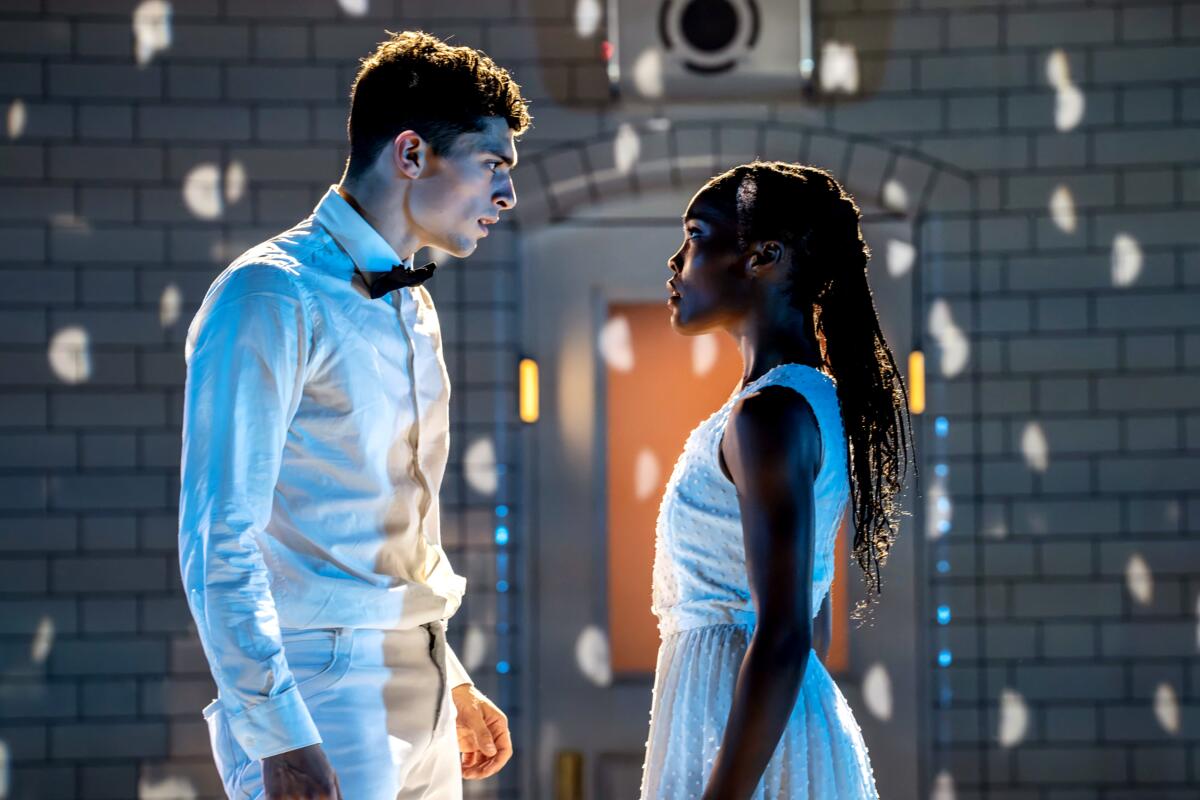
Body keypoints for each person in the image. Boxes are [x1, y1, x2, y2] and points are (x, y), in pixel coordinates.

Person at [178, 30, 530, 799]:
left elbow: (391, 530)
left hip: (422, 682)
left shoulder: (415, 306)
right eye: (492, 166)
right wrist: (278, 733)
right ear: (412, 155)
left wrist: (451, 674)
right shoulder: (268, 295)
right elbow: (218, 538)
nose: (507, 196)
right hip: (315, 685)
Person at [640, 162, 912, 799]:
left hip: (745, 747)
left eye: (696, 235)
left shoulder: (770, 413)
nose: (675, 262)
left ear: (765, 256)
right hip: (758, 733)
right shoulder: (796, 402)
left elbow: (789, 632)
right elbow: (809, 626)